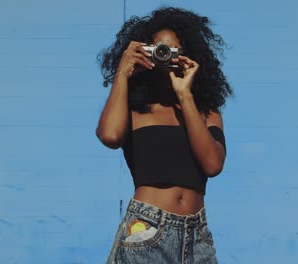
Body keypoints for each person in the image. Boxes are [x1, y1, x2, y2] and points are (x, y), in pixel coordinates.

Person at [95, 7, 233, 264]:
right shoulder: (135, 110)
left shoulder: (205, 112)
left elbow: (213, 165)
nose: (164, 56)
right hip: (146, 231)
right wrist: (123, 71)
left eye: (173, 51)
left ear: (187, 56)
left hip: (197, 236)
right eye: (158, 50)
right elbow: (110, 136)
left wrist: (184, 95)